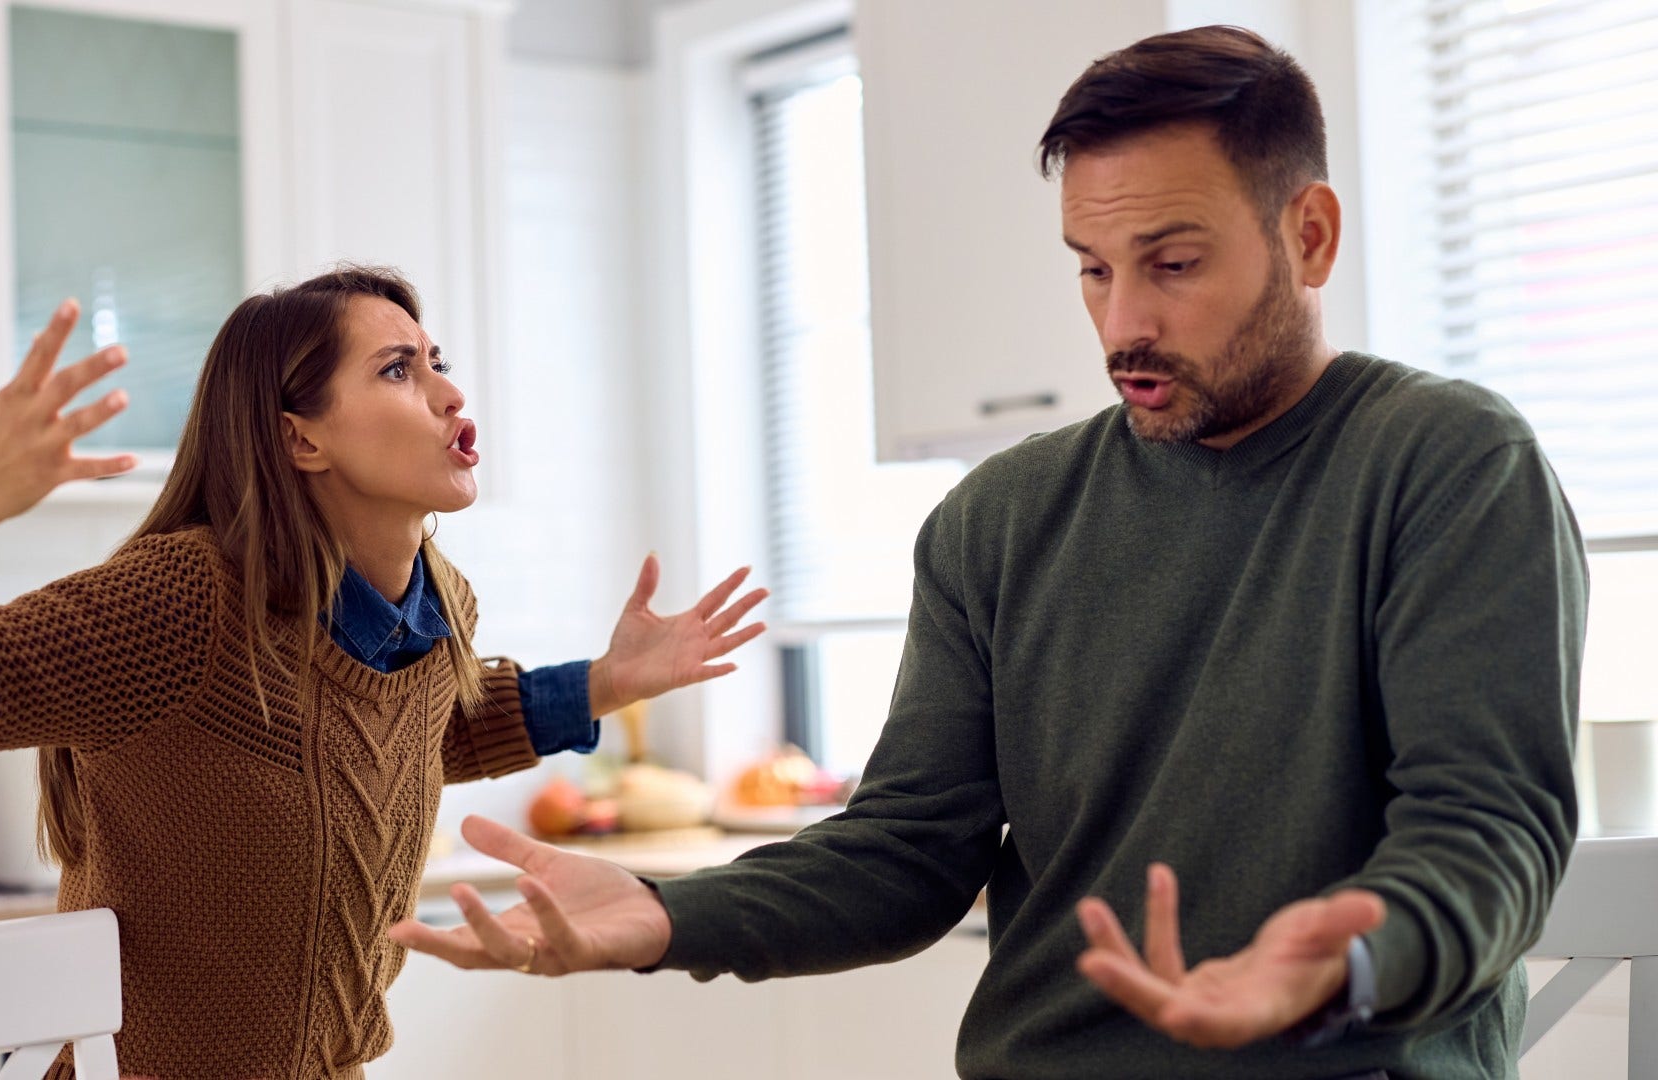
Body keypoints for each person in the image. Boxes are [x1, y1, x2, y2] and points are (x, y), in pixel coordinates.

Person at [387, 26, 1587, 1080]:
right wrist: (668, 914)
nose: (1124, 324)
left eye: (1174, 264)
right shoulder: (1002, 519)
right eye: (1093, 270)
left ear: (1309, 236)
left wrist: (1350, 957)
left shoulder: (1446, 465)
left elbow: (1489, 830)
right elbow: (907, 852)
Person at [0, 264, 769, 1079]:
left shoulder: (438, 608)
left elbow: (410, 733)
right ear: (301, 437)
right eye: (399, 369)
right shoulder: (189, 601)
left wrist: (604, 681)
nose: (448, 393)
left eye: (439, 362)